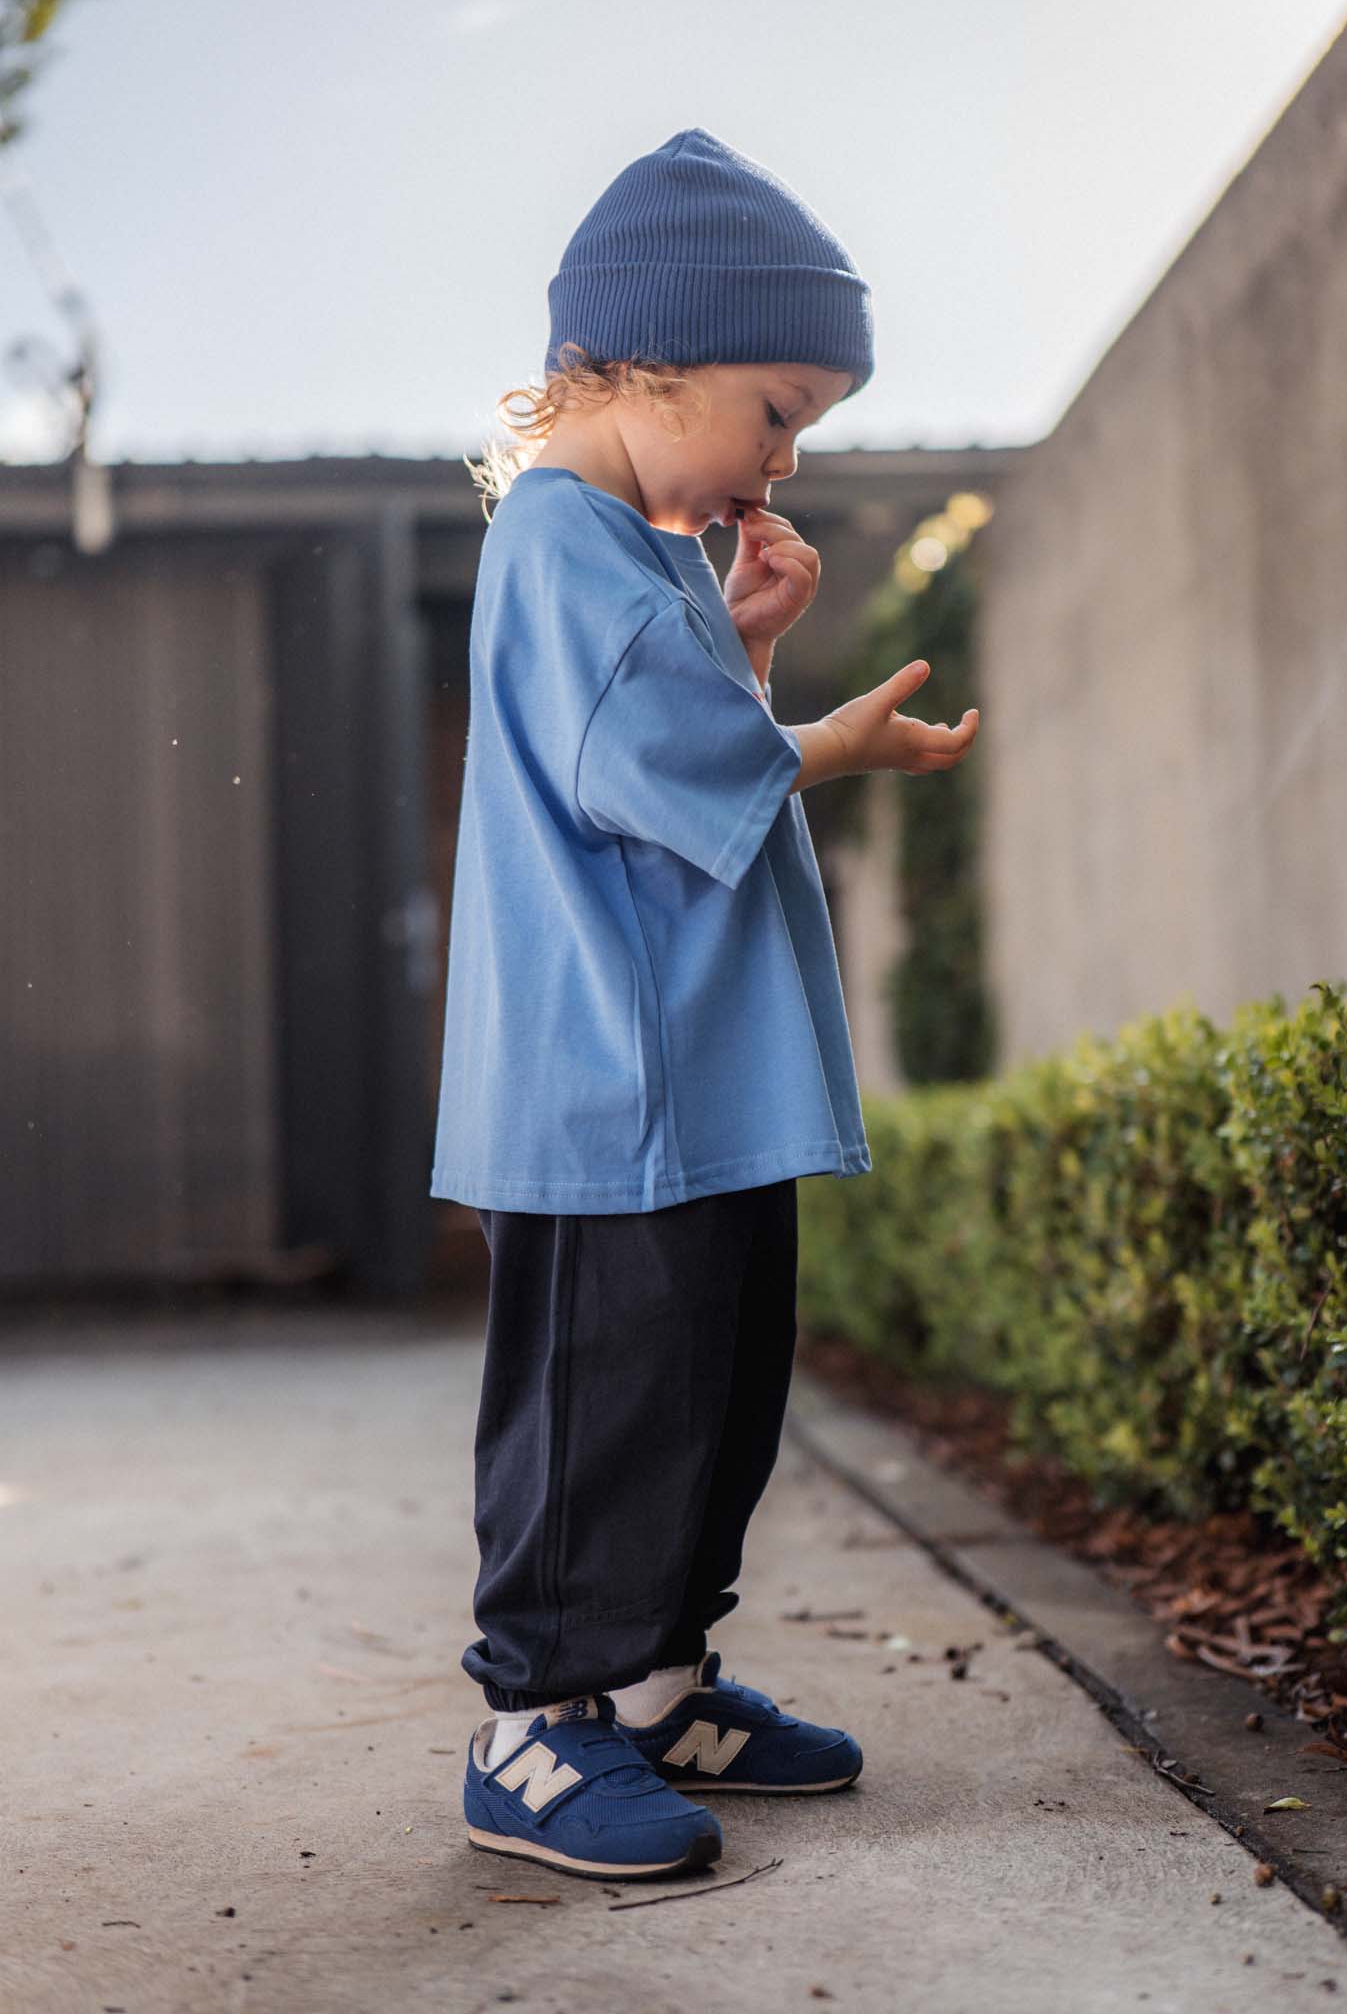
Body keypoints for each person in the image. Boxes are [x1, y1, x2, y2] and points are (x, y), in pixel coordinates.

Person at [430, 126, 980, 1882]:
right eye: (775, 406)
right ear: (652, 370)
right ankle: (533, 1725)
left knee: (711, 1395)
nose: (786, 452)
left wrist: (747, 650)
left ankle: (659, 1686)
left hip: (698, 1086)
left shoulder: (644, 548)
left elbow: (680, 755)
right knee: (604, 1410)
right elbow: (675, 776)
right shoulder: (558, 541)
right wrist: (827, 732)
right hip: (611, 1099)